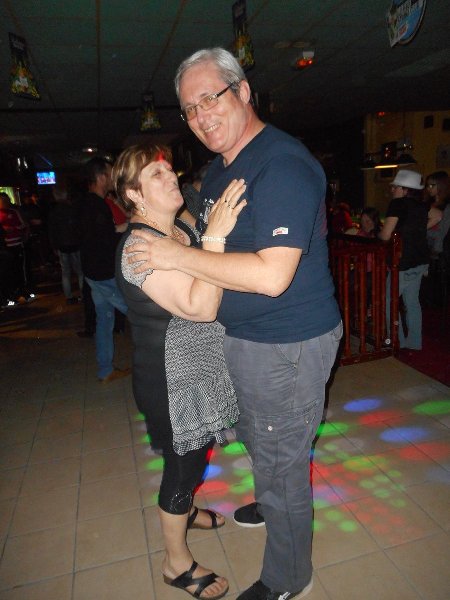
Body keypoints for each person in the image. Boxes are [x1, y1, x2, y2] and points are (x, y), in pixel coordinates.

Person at [126, 47, 342, 600]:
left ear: (243, 92)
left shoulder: (282, 164)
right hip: (245, 342)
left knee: (281, 460)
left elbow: (271, 276)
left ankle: (287, 578)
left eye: (210, 98)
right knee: (261, 442)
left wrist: (178, 255)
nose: (201, 116)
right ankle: (272, 499)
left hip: (285, 344)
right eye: (190, 109)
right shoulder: (224, 168)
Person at [113, 143, 246, 600]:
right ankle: (176, 563)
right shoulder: (139, 249)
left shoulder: (177, 229)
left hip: (199, 371)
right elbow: (200, 307)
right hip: (172, 381)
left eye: (169, 169)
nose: (171, 177)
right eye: (155, 175)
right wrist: (216, 238)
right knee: (182, 466)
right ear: (133, 194)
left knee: (199, 451)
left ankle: (186, 510)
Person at [78, 157, 130, 382]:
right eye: (110, 174)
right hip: (104, 273)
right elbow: (105, 240)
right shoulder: (97, 205)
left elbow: (99, 234)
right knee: (139, 314)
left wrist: (119, 228)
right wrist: (124, 229)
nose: (112, 179)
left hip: (92, 271)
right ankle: (159, 364)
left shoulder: (85, 203)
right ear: (101, 177)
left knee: (105, 320)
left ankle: (105, 370)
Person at [379, 169, 441, 350]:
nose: (392, 190)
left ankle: (396, 341)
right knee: (412, 302)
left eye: (396, 187)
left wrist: (380, 234)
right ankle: (414, 342)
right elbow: (438, 215)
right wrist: (418, 229)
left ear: (404, 189)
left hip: (403, 262)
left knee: (389, 302)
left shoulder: (397, 204)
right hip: (421, 261)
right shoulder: (421, 205)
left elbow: (385, 235)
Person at [47, 182, 84, 304]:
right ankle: (83, 294)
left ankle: (69, 297)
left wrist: (54, 246)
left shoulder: (53, 211)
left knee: (66, 273)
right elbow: (79, 227)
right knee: (79, 271)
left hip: (62, 245)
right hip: (75, 243)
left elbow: (52, 231)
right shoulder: (72, 209)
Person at [0, 192, 34, 303]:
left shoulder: (14, 212)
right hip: (5, 247)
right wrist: (4, 230)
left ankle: (22, 290)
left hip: (17, 244)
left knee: (20, 269)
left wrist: (14, 229)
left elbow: (24, 225)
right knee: (8, 271)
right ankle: (11, 293)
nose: (4, 203)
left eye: (6, 200)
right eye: (2, 200)